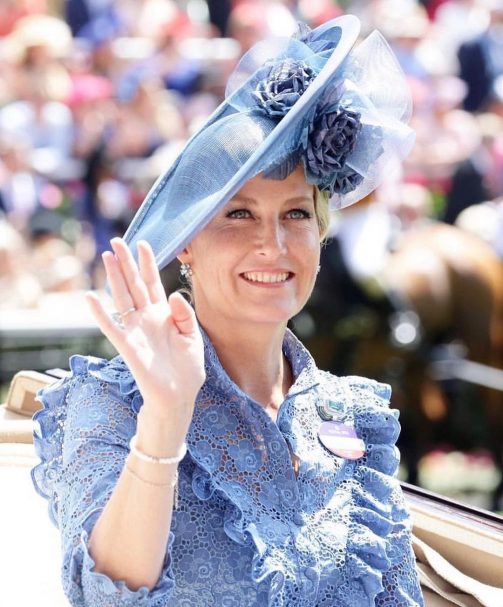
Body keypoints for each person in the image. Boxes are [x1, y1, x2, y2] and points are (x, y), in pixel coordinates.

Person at [31, 15, 423, 606]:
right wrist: (165, 417)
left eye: (296, 214)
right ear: (186, 241)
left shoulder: (355, 414)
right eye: (238, 215)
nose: (274, 245)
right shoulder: (115, 402)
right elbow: (105, 593)